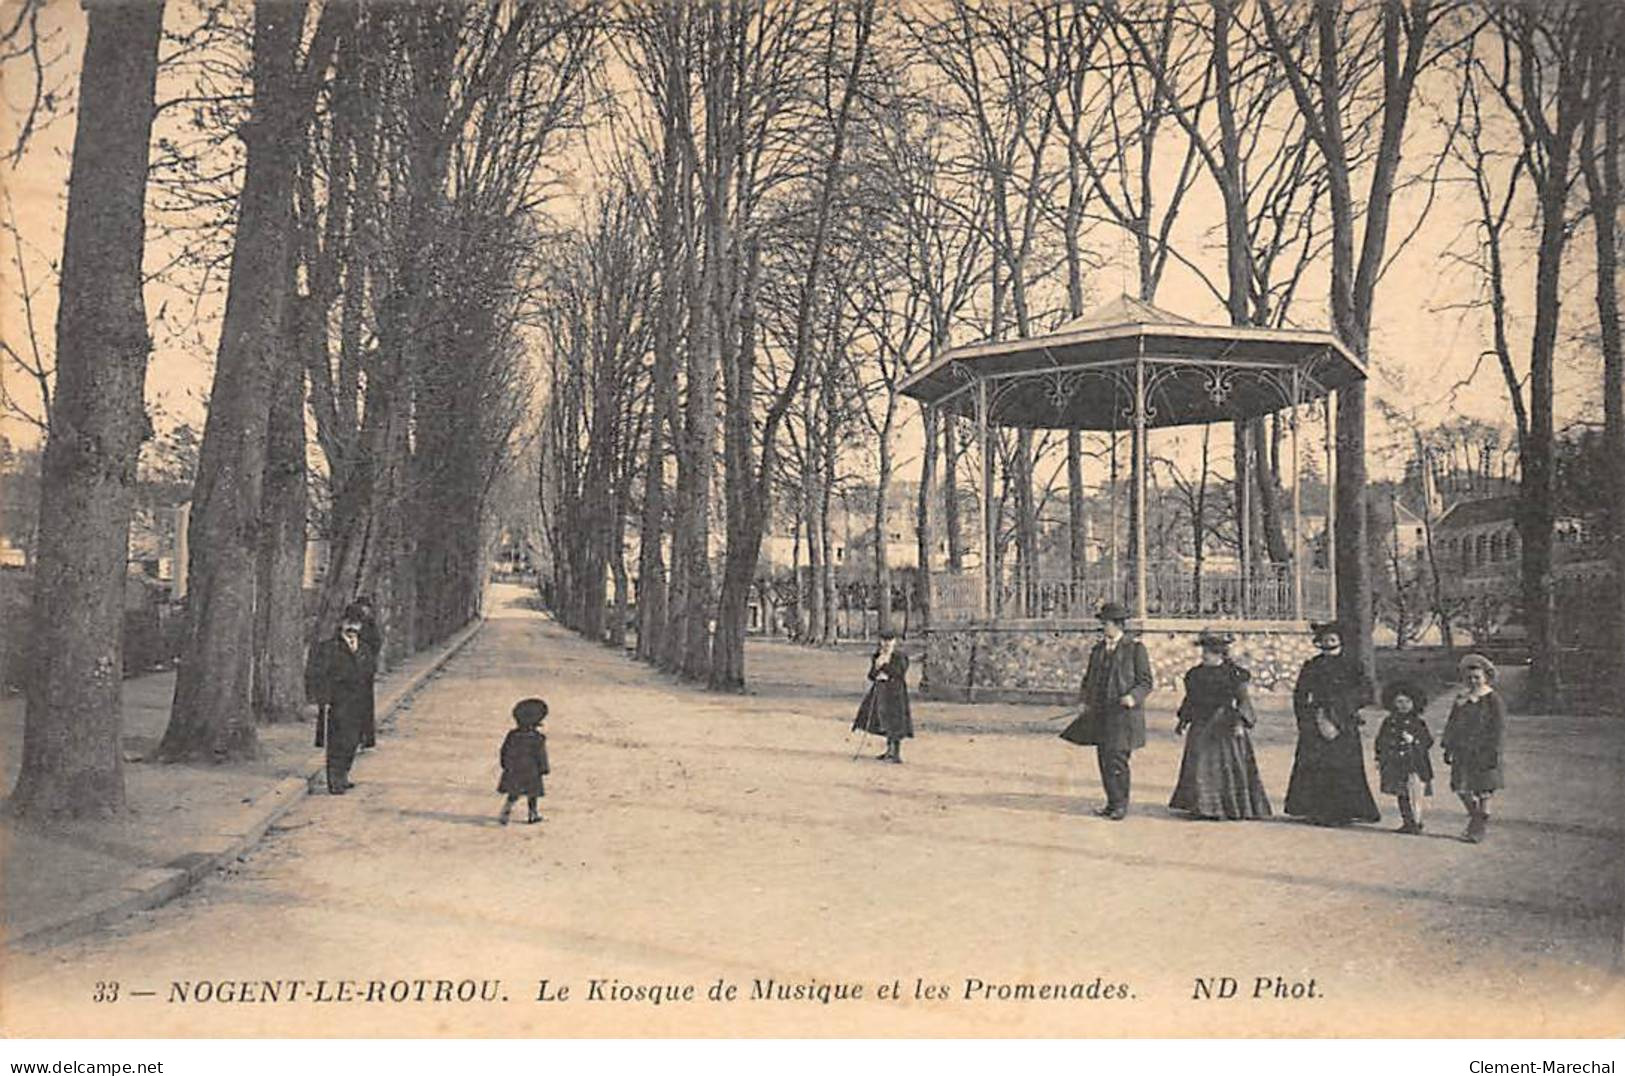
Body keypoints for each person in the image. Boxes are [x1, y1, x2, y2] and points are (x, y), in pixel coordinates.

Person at [1059, 602, 1154, 820]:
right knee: (1104, 759)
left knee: (1117, 760)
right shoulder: (1098, 650)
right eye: (1103, 623)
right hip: (1101, 714)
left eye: (1106, 623)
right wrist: (1084, 700)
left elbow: (1146, 682)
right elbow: (1088, 680)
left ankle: (1121, 805)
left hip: (1124, 715)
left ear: (1118, 625)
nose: (1103, 627)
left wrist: (1132, 697)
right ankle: (1111, 803)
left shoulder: (1135, 649)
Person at [1283, 621, 1380, 825]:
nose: (1329, 643)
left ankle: (1343, 811)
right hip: (1316, 721)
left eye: (1333, 640)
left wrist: (1342, 709)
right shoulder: (1312, 665)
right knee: (1315, 766)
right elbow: (1300, 694)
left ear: (1340, 641)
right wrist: (1308, 717)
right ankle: (1314, 809)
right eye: (1325, 640)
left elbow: (1366, 692)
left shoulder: (1352, 665)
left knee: (1343, 766)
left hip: (1343, 720)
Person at [1168, 629, 1272, 821]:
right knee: (1200, 765)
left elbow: (1242, 700)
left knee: (1225, 767)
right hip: (1200, 725)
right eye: (1204, 651)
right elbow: (1190, 699)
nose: (1204, 655)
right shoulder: (1195, 674)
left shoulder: (1234, 674)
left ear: (1220, 653)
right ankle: (1202, 806)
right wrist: (1183, 721)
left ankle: (1228, 807)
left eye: (1209, 651)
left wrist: (1240, 722)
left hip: (1225, 726)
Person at [306, 610, 377, 795]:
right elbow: (319, 675)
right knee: (337, 742)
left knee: (353, 741)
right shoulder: (329, 648)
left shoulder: (364, 648)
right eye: (348, 623)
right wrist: (324, 699)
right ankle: (334, 779)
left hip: (360, 702)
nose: (352, 627)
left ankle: (343, 775)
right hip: (338, 702)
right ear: (341, 624)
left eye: (356, 624)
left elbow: (369, 674)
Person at [1441, 653, 1505, 844]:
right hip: (1463, 750)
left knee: (1483, 789)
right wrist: (1448, 745)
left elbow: (1499, 727)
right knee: (1462, 788)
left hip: (1484, 750)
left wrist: (1494, 750)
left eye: (1477, 677)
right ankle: (1478, 818)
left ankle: (1477, 829)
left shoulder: (1492, 699)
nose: (1473, 681)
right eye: (1469, 678)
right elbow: (1452, 723)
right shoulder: (1461, 698)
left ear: (1486, 677)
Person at [1373, 681, 1434, 835]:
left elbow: (1428, 741)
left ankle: (1417, 821)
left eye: (1407, 702)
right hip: (1396, 763)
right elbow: (1380, 740)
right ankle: (1407, 821)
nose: (1403, 705)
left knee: (1414, 792)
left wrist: (1414, 740)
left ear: (1414, 703)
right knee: (1401, 794)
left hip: (1414, 763)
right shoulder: (1389, 722)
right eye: (1399, 702)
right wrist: (1379, 757)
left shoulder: (1418, 722)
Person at [851, 630, 913, 763]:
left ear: (894, 642)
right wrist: (876, 668)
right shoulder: (877, 656)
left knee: (895, 721)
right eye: (884, 641)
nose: (886, 644)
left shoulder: (899, 656)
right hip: (880, 691)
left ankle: (896, 753)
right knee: (883, 720)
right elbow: (871, 676)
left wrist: (883, 666)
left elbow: (899, 673)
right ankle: (888, 750)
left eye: (889, 641)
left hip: (895, 693)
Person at [498, 698, 550, 825]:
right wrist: (544, 768)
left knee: (513, 792)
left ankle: (507, 809)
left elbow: (504, 750)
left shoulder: (512, 735)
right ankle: (532, 813)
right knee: (532, 794)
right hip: (531, 770)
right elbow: (540, 755)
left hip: (514, 769)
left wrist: (505, 764)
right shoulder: (537, 738)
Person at [351, 596, 383, 748]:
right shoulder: (355, 624)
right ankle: (358, 735)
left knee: (365, 704)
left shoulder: (370, 624)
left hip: (365, 671)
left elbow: (376, 644)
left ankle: (366, 736)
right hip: (354, 670)